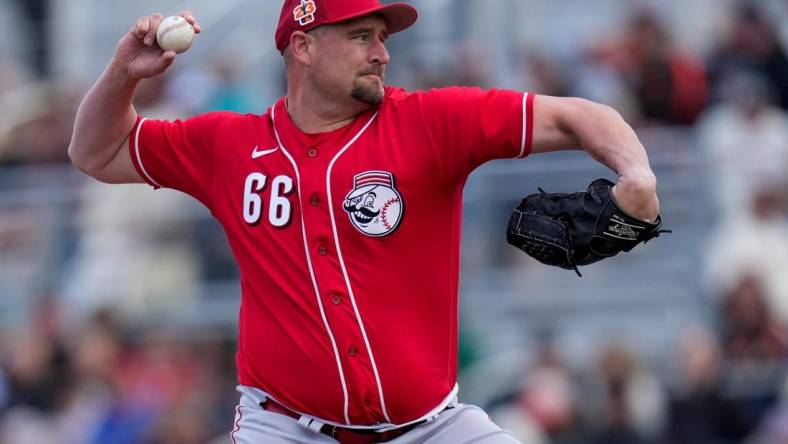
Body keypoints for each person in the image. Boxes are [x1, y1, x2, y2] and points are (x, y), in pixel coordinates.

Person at [68, 1, 660, 442]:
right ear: (302, 46)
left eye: (381, 36)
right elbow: (95, 152)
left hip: (432, 428)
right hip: (285, 429)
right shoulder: (227, 145)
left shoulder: (429, 123)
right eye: (360, 36)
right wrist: (124, 71)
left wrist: (637, 176)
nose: (382, 52)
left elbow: (579, 116)